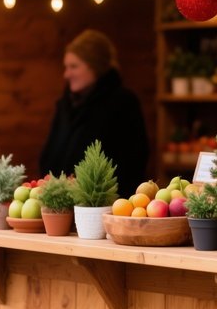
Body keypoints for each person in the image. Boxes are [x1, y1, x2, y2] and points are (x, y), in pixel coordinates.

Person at [39, 29, 149, 197]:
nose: (66, 74)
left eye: (74, 66)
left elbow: (132, 162)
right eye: (66, 67)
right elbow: (48, 157)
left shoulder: (122, 103)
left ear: (96, 66)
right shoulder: (65, 106)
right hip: (59, 205)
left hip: (105, 207)